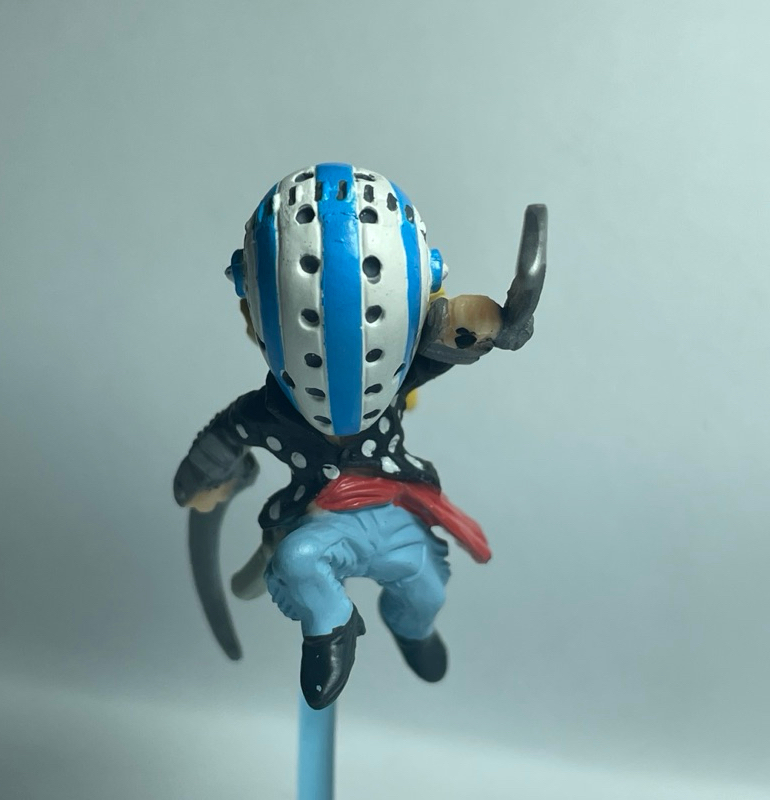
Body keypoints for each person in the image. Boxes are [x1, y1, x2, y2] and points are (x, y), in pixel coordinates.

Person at [173, 163, 547, 709]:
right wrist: (203, 477)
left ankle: (411, 628)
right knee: (298, 561)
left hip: (396, 508)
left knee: (427, 592)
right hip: (318, 522)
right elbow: (222, 438)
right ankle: (329, 629)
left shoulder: (400, 374)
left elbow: (452, 338)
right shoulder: (266, 412)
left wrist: (496, 325)